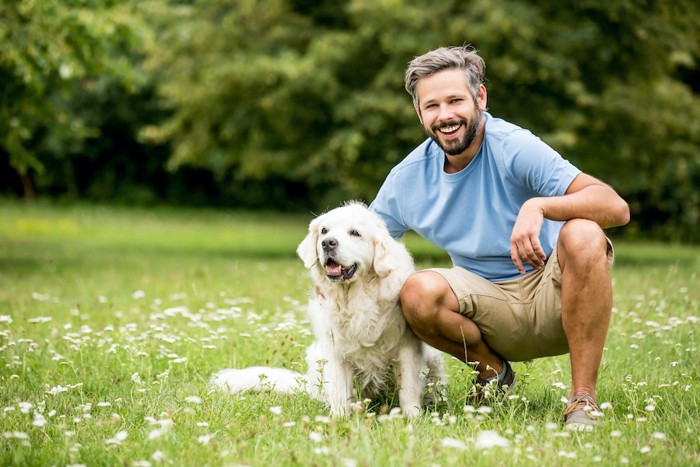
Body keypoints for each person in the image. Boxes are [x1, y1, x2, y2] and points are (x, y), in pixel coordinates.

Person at [369, 45, 630, 431]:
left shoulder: (514, 146)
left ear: (480, 97)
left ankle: (581, 400)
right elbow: (365, 240)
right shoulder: (408, 177)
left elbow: (615, 207)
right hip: (486, 310)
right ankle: (493, 374)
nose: (445, 116)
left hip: (555, 297)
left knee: (584, 233)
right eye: (432, 106)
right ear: (419, 112)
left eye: (455, 100)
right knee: (416, 290)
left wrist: (539, 207)